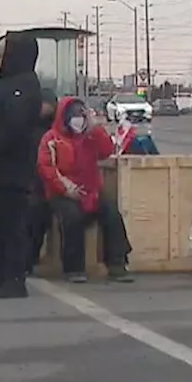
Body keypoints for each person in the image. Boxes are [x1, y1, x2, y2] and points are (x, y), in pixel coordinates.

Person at [0, 33, 43, 298]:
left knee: (13, 226)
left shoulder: (24, 85)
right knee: (1, 225)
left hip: (13, 168)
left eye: (3, 54)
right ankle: (1, 275)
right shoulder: (8, 83)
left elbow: (15, 126)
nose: (0, 59)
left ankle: (15, 279)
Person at [36, 97, 134, 282]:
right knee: (72, 217)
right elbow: (46, 167)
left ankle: (116, 263)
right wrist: (66, 189)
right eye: (74, 116)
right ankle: (73, 268)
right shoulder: (51, 138)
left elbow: (107, 151)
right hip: (61, 193)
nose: (78, 120)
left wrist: (96, 129)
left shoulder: (90, 136)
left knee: (112, 212)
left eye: (82, 116)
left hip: (91, 192)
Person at [27, 90, 59, 274]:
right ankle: (28, 257)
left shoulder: (54, 129)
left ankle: (30, 257)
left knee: (36, 213)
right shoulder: (31, 126)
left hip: (46, 185)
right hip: (34, 181)